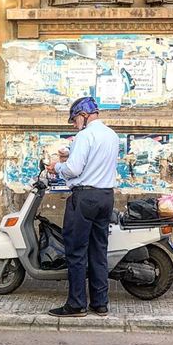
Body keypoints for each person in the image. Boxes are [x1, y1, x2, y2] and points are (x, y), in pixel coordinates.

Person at [46, 96, 119, 317]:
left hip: (85, 199)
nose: (75, 124)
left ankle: (77, 304)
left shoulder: (84, 136)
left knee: (76, 252)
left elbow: (75, 169)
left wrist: (56, 167)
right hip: (106, 196)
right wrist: (70, 157)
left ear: (83, 115)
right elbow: (95, 162)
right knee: (99, 251)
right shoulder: (112, 135)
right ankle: (100, 303)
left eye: (75, 120)